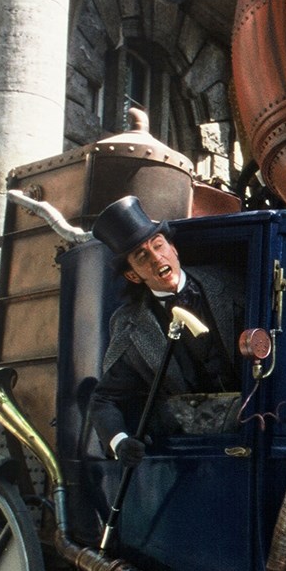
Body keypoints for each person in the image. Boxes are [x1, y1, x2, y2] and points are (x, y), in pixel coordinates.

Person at [87, 195, 243, 465]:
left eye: (159, 246)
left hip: (250, 435)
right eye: (142, 256)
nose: (156, 258)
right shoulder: (129, 325)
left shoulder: (231, 286)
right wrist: (120, 442)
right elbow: (104, 399)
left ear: (174, 248)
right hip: (186, 454)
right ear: (133, 275)